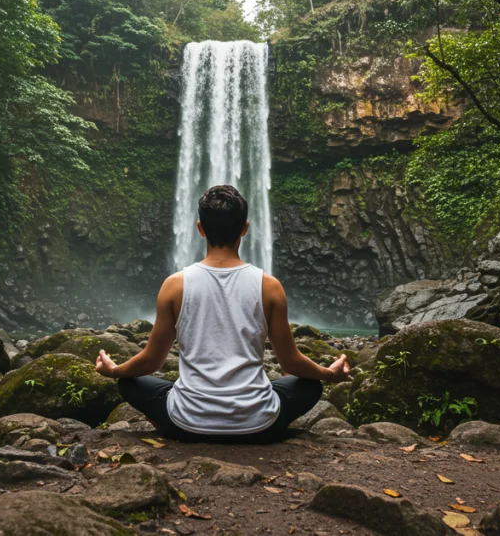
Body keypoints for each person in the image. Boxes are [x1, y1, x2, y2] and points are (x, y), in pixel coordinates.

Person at [94, 184, 352, 443]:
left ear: (200, 229)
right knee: (310, 385)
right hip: (259, 425)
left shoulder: (174, 285)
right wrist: (330, 374)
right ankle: (253, 420)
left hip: (187, 423)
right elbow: (290, 363)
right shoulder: (269, 287)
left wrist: (115, 370)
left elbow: (152, 361)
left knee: (129, 382)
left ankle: (174, 424)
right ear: (245, 228)